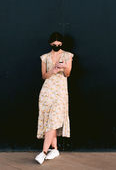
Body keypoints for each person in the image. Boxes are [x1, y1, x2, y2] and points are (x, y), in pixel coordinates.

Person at [35, 32, 74, 164]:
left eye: (59, 43)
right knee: (48, 120)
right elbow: (44, 76)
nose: (56, 45)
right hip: (46, 92)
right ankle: (55, 149)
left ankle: (44, 152)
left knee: (54, 120)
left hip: (60, 92)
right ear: (50, 43)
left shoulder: (67, 55)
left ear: (61, 43)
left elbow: (68, 74)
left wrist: (63, 68)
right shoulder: (44, 57)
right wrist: (53, 70)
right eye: (54, 43)